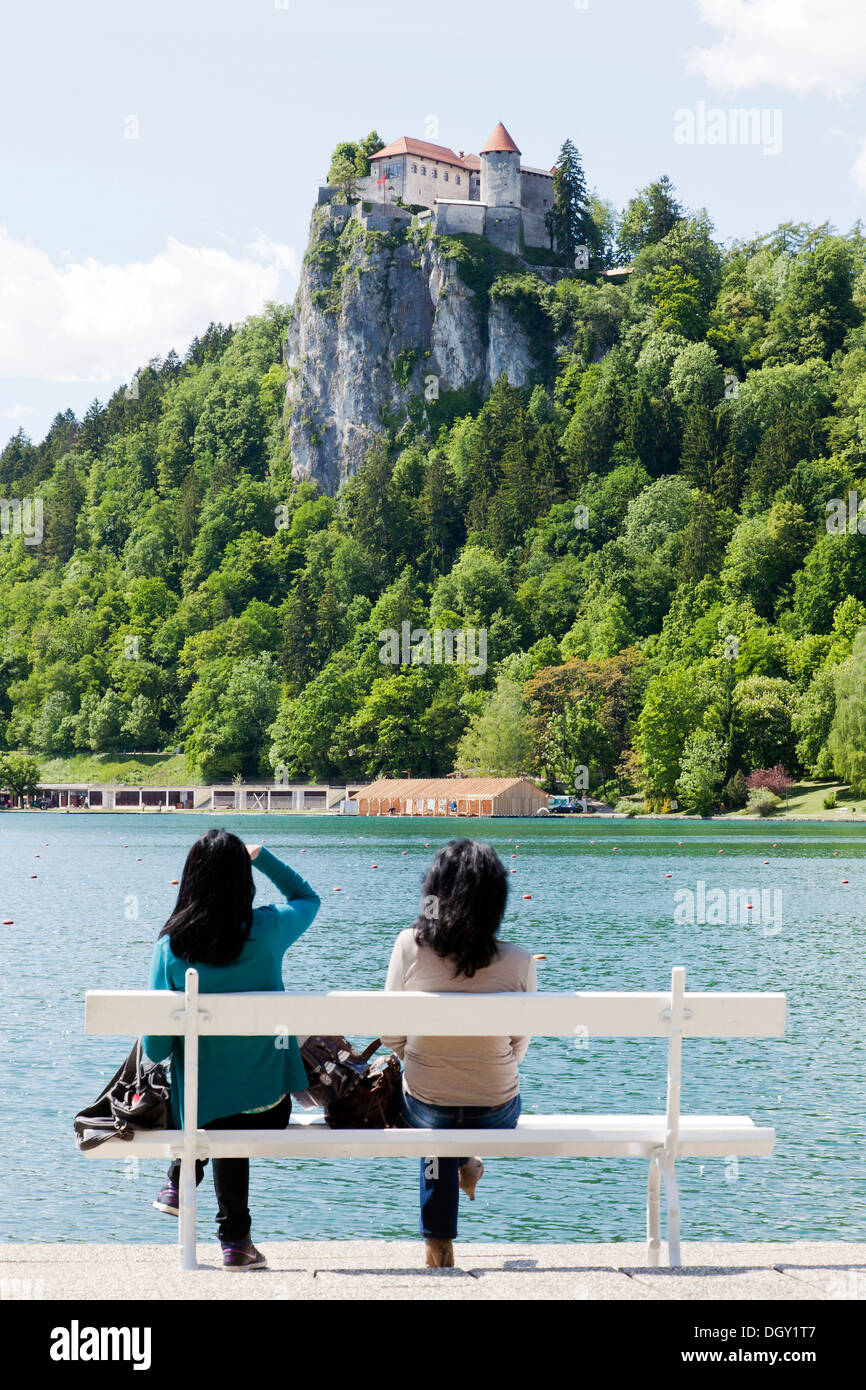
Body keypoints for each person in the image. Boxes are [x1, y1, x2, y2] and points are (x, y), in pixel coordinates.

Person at [142, 830, 320, 1270]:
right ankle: (235, 1241)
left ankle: (181, 1178)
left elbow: (156, 1047)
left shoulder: (171, 946)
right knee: (235, 1113)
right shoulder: (270, 927)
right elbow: (308, 897)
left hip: (196, 1114)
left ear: (190, 878)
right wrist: (263, 857)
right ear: (244, 880)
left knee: (212, 1108)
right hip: (269, 1109)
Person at [382, 839, 536, 1267]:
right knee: (447, 1114)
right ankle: (466, 1157)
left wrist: (422, 1056)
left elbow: (389, 1034)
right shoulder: (519, 961)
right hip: (497, 1108)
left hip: (425, 1106)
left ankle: (438, 1244)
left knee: (434, 1113)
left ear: (433, 892)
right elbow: (517, 1048)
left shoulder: (408, 946)